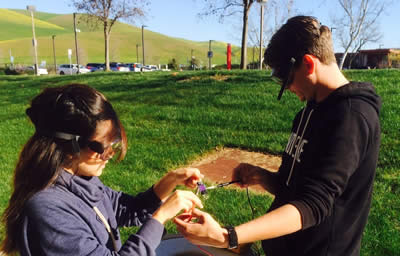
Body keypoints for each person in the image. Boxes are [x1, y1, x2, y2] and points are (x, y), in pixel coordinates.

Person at [174, 15, 381, 256]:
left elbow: (313, 205)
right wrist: (261, 177)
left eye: (287, 80)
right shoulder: (308, 113)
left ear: (309, 64)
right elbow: (293, 188)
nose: (290, 89)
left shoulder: (350, 117)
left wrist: (227, 237)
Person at [1, 83, 203, 256]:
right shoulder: (46, 211)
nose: (109, 154)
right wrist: (161, 218)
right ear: (67, 145)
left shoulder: (80, 178)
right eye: (101, 147)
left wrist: (170, 180)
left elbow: (127, 210)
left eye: (112, 144)